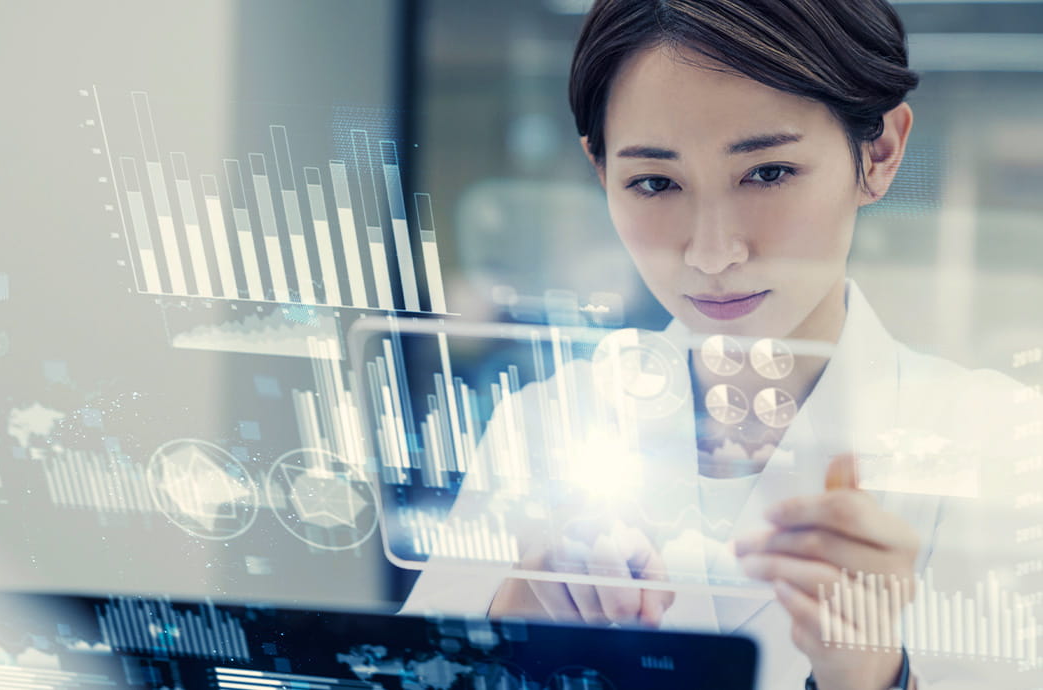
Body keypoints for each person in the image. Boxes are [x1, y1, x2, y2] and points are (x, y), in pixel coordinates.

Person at [403, 1, 1043, 688]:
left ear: (879, 152)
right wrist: (519, 621)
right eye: (654, 183)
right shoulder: (543, 427)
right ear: (601, 172)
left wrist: (871, 676)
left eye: (767, 173)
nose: (711, 253)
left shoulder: (1005, 446)